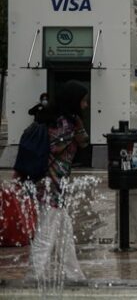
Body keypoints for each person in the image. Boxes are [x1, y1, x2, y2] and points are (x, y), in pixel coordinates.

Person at [29, 81, 90, 281]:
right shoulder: (65, 124)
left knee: (64, 232)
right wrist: (78, 125)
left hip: (51, 183)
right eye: (83, 102)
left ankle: (74, 275)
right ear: (74, 101)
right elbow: (83, 142)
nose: (86, 106)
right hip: (51, 185)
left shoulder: (54, 120)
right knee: (46, 233)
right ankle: (34, 276)